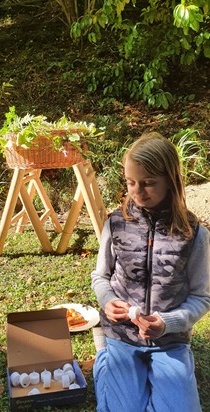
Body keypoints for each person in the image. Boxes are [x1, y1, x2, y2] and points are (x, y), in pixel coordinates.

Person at [91, 132, 210, 412]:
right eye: (131, 182)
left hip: (170, 342)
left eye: (148, 183)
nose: (137, 191)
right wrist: (107, 302)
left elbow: (201, 297)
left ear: (171, 180)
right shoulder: (115, 224)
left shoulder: (193, 234)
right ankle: (105, 359)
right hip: (121, 337)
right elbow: (100, 277)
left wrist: (167, 322)